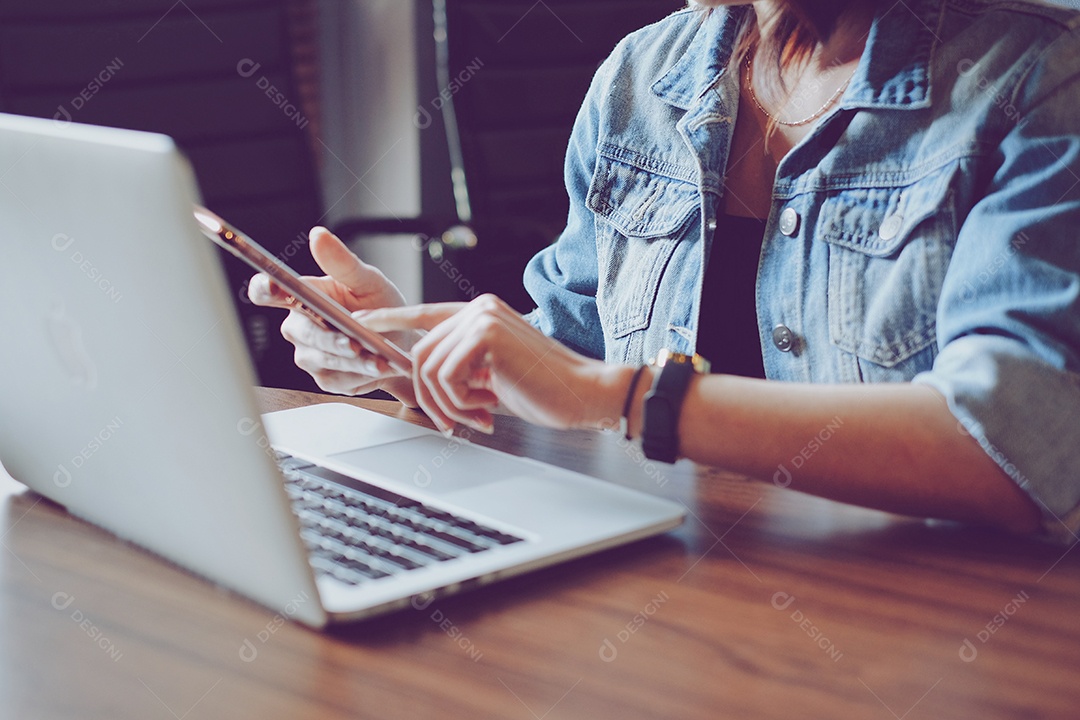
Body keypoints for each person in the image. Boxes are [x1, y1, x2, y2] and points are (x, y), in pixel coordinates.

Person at [251, 0, 1080, 541]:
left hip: (928, 622)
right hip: (667, 583)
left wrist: (623, 398)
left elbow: (1011, 447)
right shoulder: (641, 78)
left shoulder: (1037, 82)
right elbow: (570, 358)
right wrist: (415, 358)